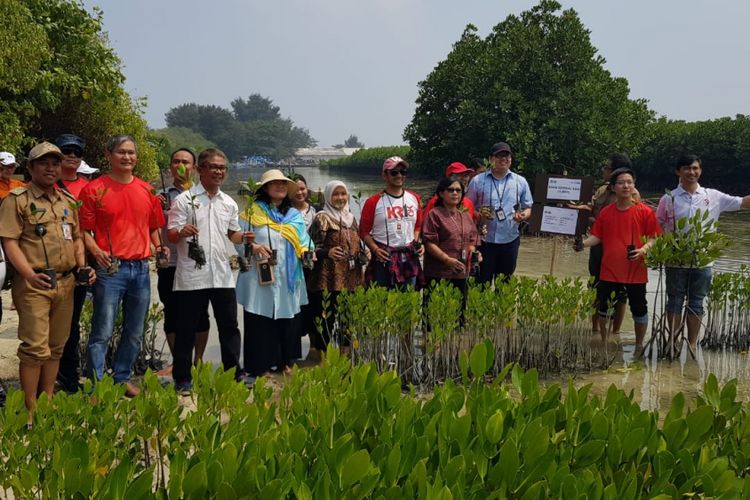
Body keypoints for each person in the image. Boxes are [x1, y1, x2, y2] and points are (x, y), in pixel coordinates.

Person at [0, 142, 93, 424]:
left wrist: (82, 267)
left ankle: (47, 401)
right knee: (34, 348)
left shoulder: (66, 201)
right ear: (30, 167)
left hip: (65, 283)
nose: (50, 168)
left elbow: (76, 237)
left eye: (55, 162)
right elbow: (9, 241)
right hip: (34, 283)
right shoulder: (16, 200)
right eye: (43, 163)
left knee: (56, 347)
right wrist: (28, 274)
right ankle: (30, 409)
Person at [79, 135, 166, 397]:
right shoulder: (94, 189)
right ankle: (95, 385)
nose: (127, 157)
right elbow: (82, 229)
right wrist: (96, 251)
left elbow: (153, 226)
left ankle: (121, 377)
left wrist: (158, 246)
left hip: (140, 269)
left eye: (131, 153)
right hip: (111, 268)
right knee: (102, 331)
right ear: (108, 155)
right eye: (121, 152)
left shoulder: (146, 190)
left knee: (134, 331)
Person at [167, 148, 250, 393]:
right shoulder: (185, 200)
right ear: (199, 169)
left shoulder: (229, 202)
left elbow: (232, 234)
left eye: (222, 168)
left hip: (222, 274)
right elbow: (171, 233)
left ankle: (233, 372)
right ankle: (182, 377)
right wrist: (182, 232)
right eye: (213, 167)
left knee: (230, 326)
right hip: (192, 276)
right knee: (186, 328)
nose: (218, 171)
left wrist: (243, 237)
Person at [656, 154, 750, 350]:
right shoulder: (668, 198)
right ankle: (671, 342)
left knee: (697, 303)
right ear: (678, 172)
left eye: (695, 168)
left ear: (700, 171)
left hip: (703, 260)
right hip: (675, 259)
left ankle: (691, 344)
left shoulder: (712, 196)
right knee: (674, 301)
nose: (692, 172)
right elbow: (657, 228)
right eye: (687, 168)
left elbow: (742, 202)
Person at [235, 169, 313, 377]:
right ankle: (258, 366)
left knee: (287, 320)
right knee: (259, 319)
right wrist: (255, 248)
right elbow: (239, 242)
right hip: (259, 274)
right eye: (275, 183)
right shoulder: (251, 213)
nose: (280, 186)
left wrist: (307, 252)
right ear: (265, 188)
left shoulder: (294, 215)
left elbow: (304, 241)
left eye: (283, 183)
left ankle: (284, 362)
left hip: (288, 275)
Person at [574, 167, 661, 347]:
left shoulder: (645, 212)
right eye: (621, 183)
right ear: (613, 187)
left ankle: (638, 346)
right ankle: (605, 343)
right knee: (605, 309)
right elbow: (598, 236)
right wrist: (583, 244)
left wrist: (643, 250)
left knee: (639, 309)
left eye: (629, 182)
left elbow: (654, 238)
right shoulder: (606, 212)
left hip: (635, 269)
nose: (625, 186)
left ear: (634, 186)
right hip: (610, 269)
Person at [569, 153, 640, 337]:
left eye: (607, 167)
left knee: (620, 293)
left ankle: (615, 332)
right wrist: (571, 208)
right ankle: (595, 331)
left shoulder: (631, 193)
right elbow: (591, 209)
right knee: (595, 287)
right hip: (597, 247)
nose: (603, 170)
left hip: (618, 251)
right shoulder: (602, 190)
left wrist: (594, 219)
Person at [157, 148, 210, 377]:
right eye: (176, 161)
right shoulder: (160, 196)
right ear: (170, 167)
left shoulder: (203, 195)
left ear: (194, 168)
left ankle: (197, 360)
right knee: (172, 312)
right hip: (170, 262)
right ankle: (179, 362)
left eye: (186, 162)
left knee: (200, 313)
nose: (181, 166)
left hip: (196, 262)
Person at [308, 181, 368, 358]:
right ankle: (322, 360)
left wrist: (364, 253)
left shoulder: (351, 218)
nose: (340, 198)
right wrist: (328, 252)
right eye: (336, 194)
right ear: (328, 196)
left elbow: (356, 242)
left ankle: (345, 358)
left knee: (348, 321)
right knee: (327, 320)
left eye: (343, 194)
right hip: (328, 279)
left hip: (351, 277)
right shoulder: (322, 218)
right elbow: (309, 248)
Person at [53, 133, 90, 392]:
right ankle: (45, 381)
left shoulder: (88, 189)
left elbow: (88, 232)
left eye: (77, 152)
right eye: (67, 151)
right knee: (45, 326)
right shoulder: (45, 186)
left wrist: (86, 266)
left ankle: (69, 378)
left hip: (80, 267)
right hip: (48, 268)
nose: (73, 157)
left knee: (72, 325)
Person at [466, 142, 532, 283]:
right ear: (491, 159)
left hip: (510, 239)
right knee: (482, 284)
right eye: (499, 156)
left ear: (511, 159)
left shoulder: (520, 181)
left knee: (505, 285)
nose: (503, 159)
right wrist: (479, 215)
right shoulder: (478, 181)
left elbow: (528, 208)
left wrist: (523, 215)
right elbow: (466, 208)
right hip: (484, 241)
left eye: (506, 155)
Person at [359, 156, 424, 288]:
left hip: (408, 256)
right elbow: (363, 231)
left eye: (403, 172)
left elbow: (417, 226)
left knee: (409, 301)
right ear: (385, 175)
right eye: (394, 172)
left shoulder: (414, 198)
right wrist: (375, 249)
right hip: (384, 257)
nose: (399, 175)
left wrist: (417, 243)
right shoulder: (373, 201)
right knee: (382, 301)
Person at [422, 177, 480, 307]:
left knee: (458, 314)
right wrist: (447, 260)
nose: (455, 193)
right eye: (451, 190)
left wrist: (474, 253)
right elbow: (429, 243)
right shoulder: (434, 214)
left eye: (458, 190)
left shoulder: (465, 216)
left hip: (461, 271)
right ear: (441, 193)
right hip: (438, 272)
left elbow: (472, 241)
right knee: (434, 312)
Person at [288, 173, 316, 360]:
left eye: (303, 188)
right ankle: (292, 348)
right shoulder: (283, 213)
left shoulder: (317, 211)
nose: (300, 192)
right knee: (293, 306)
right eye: (296, 189)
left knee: (314, 306)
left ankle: (314, 347)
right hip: (291, 266)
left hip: (314, 265)